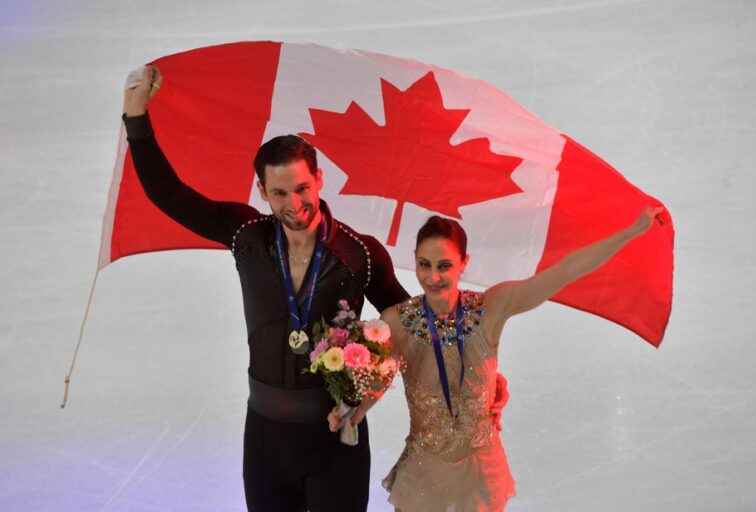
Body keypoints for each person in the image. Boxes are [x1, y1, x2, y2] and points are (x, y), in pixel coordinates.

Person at [121, 65, 509, 511]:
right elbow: (167, 194)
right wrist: (136, 117)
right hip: (265, 438)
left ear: (320, 179)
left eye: (302, 188)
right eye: (280, 193)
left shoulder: (359, 254)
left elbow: (417, 325)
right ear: (263, 192)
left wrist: (478, 373)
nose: (295, 204)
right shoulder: (245, 235)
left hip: (336, 438)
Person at [331, 208, 663, 511]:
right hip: (424, 473)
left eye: (444, 265)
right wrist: (355, 410)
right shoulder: (397, 321)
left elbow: (563, 273)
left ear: (464, 262)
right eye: (424, 264)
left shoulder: (491, 308)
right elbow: (381, 376)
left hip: (480, 474)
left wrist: (631, 231)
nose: (433, 277)